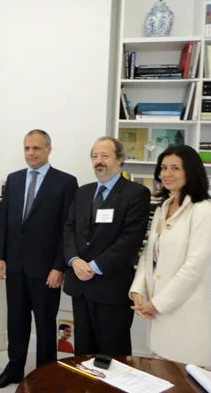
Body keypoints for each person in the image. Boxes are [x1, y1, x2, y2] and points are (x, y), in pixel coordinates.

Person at [0, 130, 78, 389]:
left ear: (49, 150)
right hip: (15, 265)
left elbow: (67, 229)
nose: (31, 153)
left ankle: (45, 375)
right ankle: (14, 369)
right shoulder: (14, 180)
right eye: (27, 148)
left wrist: (59, 266)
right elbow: (3, 221)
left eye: (36, 148)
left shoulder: (65, 182)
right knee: (16, 321)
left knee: (46, 324)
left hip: (47, 269)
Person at [129, 145, 211, 366]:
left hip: (185, 316)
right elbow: (149, 255)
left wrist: (158, 304)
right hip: (156, 314)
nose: (166, 174)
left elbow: (193, 268)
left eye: (175, 168)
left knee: (184, 382)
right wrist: (137, 290)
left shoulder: (203, 211)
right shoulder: (163, 207)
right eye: (163, 168)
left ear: (190, 172)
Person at [63, 137, 150, 358]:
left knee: (113, 353)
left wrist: (94, 266)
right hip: (80, 286)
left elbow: (129, 240)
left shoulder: (136, 193)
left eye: (105, 156)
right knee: (83, 351)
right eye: (95, 156)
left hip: (111, 287)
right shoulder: (82, 192)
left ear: (120, 159)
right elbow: (68, 230)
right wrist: (75, 261)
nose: (98, 161)